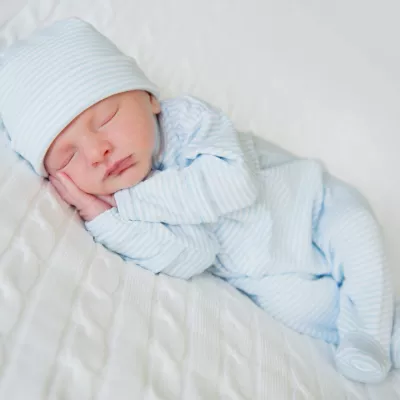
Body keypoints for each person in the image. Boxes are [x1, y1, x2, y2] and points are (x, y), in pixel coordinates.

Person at [1, 17, 398, 384]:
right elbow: (193, 255)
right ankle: (380, 333)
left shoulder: (186, 122)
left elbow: (233, 185)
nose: (98, 151)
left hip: (312, 206)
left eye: (105, 118)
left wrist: (132, 203)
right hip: (265, 271)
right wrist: (106, 221)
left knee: (355, 232)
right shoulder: (122, 208)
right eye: (69, 157)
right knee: (305, 309)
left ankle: (369, 332)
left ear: (149, 98)